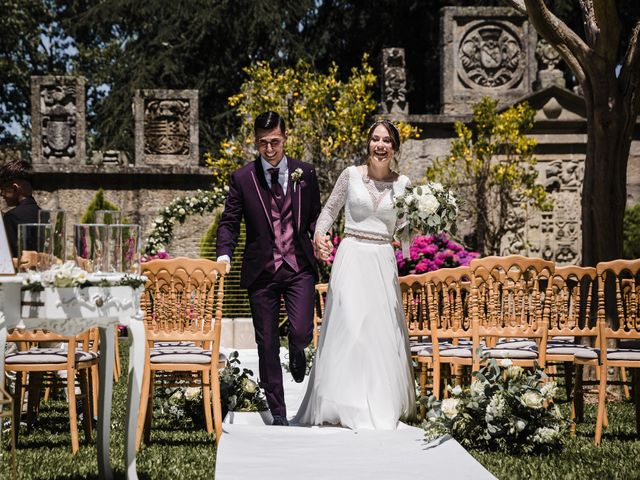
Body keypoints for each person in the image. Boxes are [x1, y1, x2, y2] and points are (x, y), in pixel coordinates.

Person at [294, 120, 416, 430]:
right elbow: (329, 211)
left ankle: (375, 404)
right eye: (375, 138)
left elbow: (404, 235)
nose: (380, 144)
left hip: (382, 261)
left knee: (378, 331)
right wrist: (320, 235)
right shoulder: (350, 175)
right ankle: (343, 402)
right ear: (368, 143)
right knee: (350, 324)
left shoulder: (404, 185)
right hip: (351, 256)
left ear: (394, 147)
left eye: (386, 140)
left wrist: (420, 221)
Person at [216, 111, 321, 426]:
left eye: (275, 141)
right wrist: (224, 254)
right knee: (266, 343)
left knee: (301, 331)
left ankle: (299, 348)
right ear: (256, 143)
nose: (270, 149)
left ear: (285, 138)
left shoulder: (307, 173)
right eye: (263, 143)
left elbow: (315, 215)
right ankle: (277, 412)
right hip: (262, 270)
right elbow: (230, 222)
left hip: (299, 265)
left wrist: (322, 238)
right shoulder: (243, 178)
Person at [0, 159, 41, 257]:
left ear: (15, 188)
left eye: (3, 189)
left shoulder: (11, 217)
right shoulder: (43, 213)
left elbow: (8, 259)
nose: (2, 195)